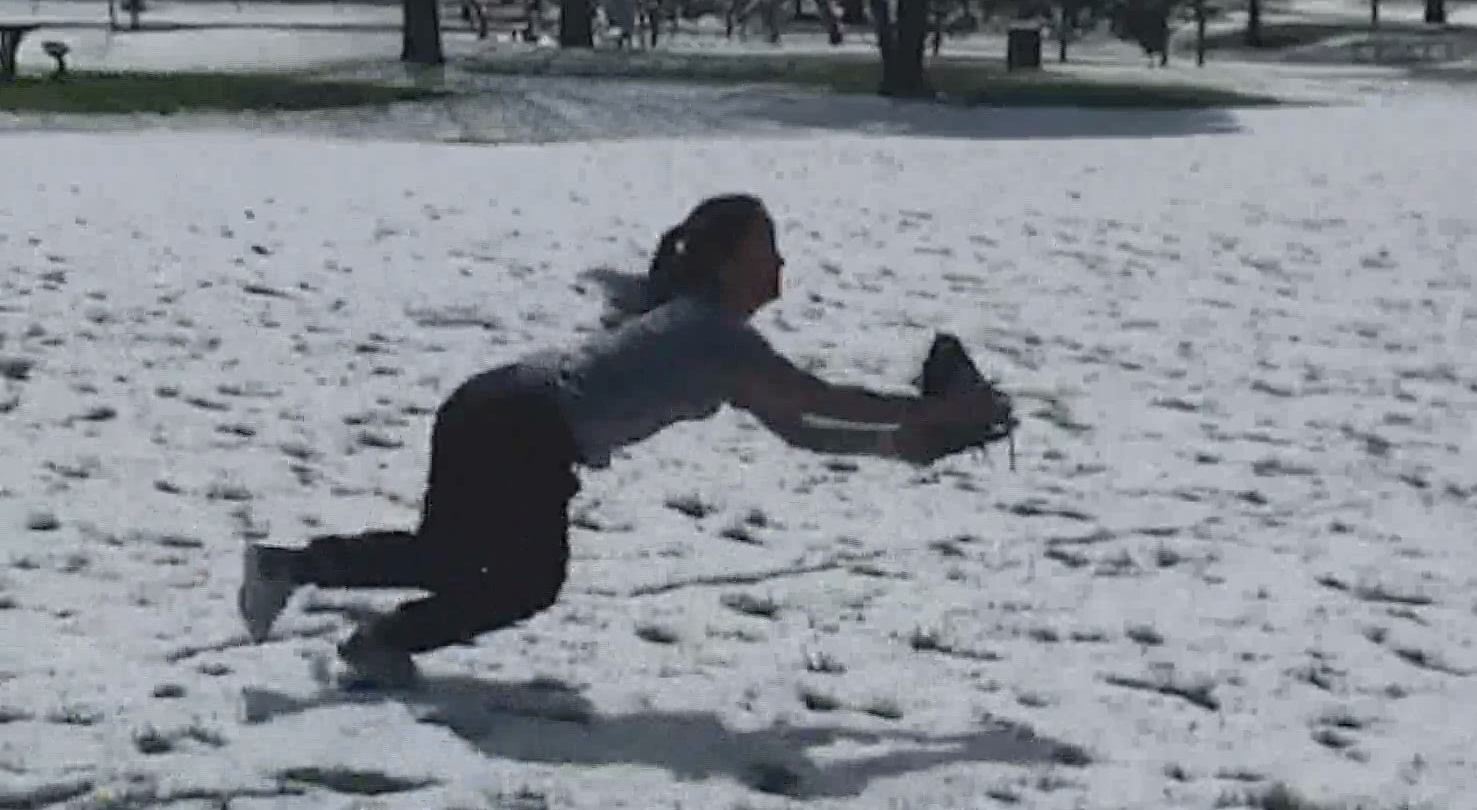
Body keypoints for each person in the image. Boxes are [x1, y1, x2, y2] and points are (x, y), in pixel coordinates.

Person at [237, 193, 1011, 688]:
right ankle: (374, 639)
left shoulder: (714, 337)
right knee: (527, 580)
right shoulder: (713, 335)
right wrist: (934, 414)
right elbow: (821, 398)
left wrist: (897, 445)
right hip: (519, 426)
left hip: (494, 407)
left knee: (450, 555)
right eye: (767, 248)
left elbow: (799, 430)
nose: (780, 263)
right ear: (729, 262)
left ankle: (296, 575)